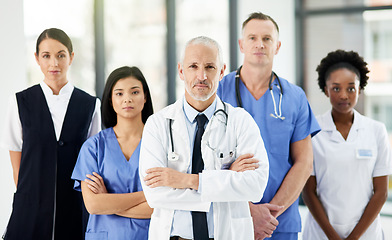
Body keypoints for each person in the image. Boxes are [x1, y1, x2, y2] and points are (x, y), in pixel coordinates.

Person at [139, 36, 270, 240]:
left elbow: (255, 186)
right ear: (181, 71)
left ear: (221, 71)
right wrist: (224, 182)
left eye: (210, 67)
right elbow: (155, 195)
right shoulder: (158, 124)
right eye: (193, 66)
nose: (201, 76)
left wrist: (187, 180)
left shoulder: (241, 121)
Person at [217, 12, 320, 240]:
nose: (259, 44)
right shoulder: (218, 93)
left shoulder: (294, 97)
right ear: (241, 44)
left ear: (278, 46)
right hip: (229, 218)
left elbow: (304, 162)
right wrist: (247, 211)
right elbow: (204, 161)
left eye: (267, 38)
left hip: (279, 222)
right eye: (252, 38)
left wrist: (269, 214)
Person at [2, 28, 101, 240]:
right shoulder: (20, 102)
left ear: (71, 57)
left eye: (61, 55)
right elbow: (17, 163)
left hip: (75, 208)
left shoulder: (90, 105)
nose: (54, 63)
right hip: (30, 209)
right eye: (46, 56)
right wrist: (28, 200)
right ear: (37, 58)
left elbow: (92, 161)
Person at [302, 50, 392, 239]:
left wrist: (354, 237)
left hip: (366, 234)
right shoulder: (312, 131)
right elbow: (308, 191)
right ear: (326, 89)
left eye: (351, 88)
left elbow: (381, 192)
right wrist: (333, 236)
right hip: (321, 233)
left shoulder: (376, 131)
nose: (344, 95)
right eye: (336, 88)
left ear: (360, 89)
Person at [71, 66, 153, 239]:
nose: (127, 99)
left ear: (145, 97)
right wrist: (146, 196)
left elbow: (161, 206)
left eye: (135, 92)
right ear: (110, 100)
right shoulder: (93, 147)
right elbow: (93, 205)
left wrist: (108, 202)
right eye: (119, 93)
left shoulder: (160, 144)